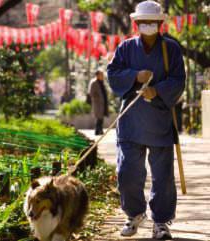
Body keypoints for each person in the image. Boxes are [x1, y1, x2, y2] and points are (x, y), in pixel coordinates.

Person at [107, 1, 186, 240]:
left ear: (161, 23)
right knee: (128, 172)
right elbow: (113, 75)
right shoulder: (125, 48)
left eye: (152, 22)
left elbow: (179, 80)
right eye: (143, 22)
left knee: (162, 176)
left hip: (160, 121)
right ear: (136, 23)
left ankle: (161, 222)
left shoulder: (171, 49)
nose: (148, 26)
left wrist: (159, 90)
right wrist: (135, 76)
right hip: (131, 121)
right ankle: (134, 214)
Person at [88, 69, 109, 135]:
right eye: (101, 74)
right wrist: (97, 98)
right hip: (97, 103)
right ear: (97, 75)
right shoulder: (94, 82)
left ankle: (100, 130)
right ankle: (97, 131)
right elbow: (91, 93)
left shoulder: (102, 82)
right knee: (99, 117)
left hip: (102, 103)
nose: (102, 76)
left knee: (101, 117)